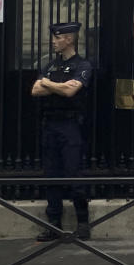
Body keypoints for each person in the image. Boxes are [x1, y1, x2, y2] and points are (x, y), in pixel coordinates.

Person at [30, 21, 94, 241]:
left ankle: (83, 224)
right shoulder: (49, 65)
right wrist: (56, 85)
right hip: (50, 125)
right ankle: (54, 225)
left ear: (69, 39)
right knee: (51, 176)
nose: (54, 42)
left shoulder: (83, 65)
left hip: (71, 127)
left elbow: (71, 91)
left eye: (57, 38)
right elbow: (35, 90)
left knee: (74, 174)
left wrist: (49, 84)